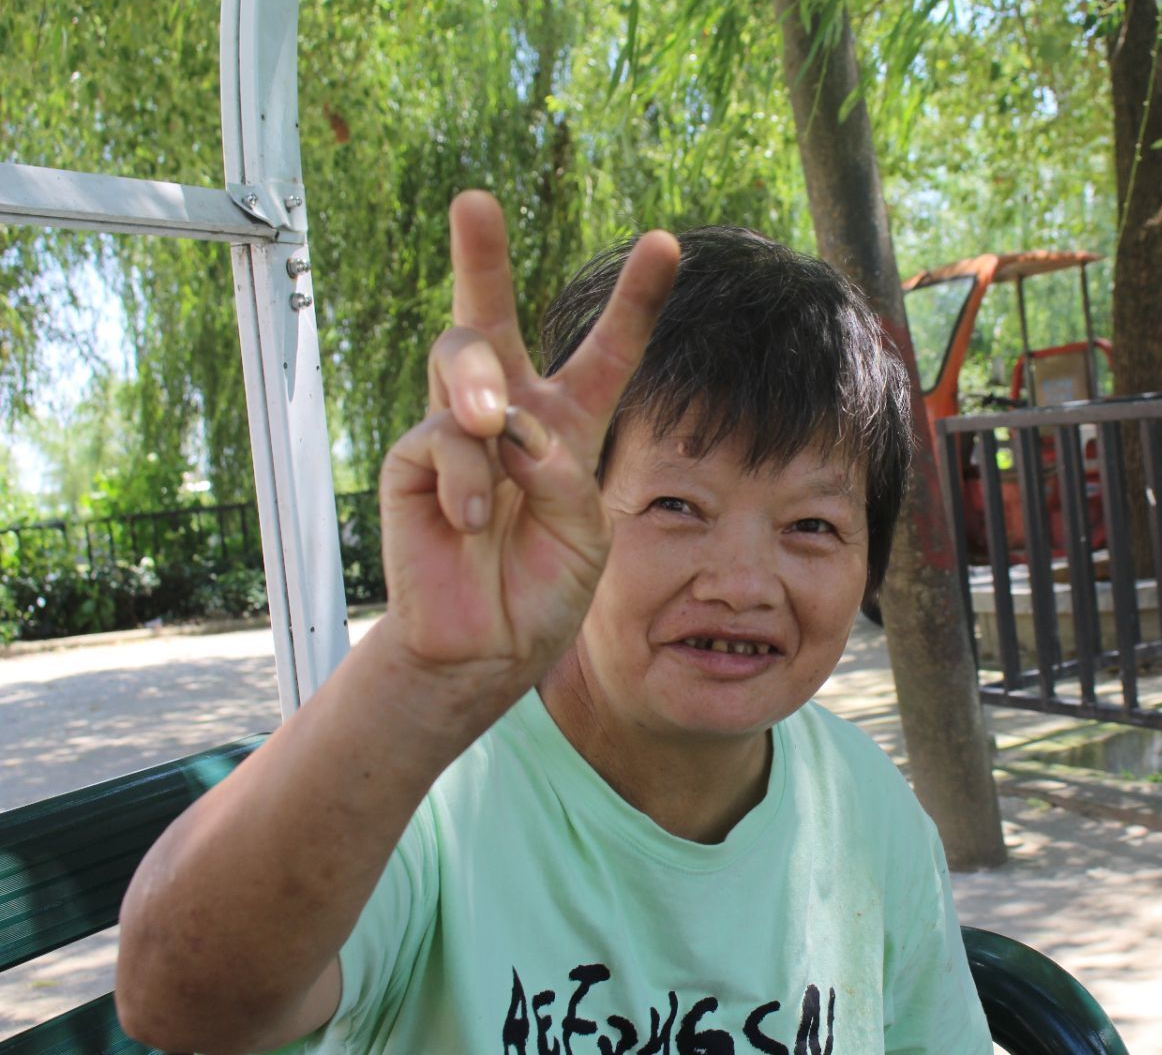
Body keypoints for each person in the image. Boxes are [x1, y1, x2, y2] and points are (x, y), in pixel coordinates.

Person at [114, 191, 992, 1054]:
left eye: (811, 525)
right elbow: (177, 1001)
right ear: (564, 509)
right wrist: (418, 670)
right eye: (676, 505)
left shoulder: (865, 809)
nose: (742, 583)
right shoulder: (432, 801)